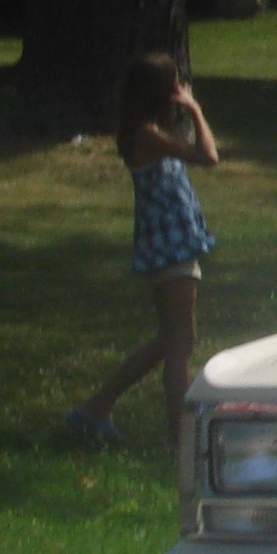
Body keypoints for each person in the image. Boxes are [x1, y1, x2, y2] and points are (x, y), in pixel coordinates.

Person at [68, 53, 216, 448]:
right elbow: (208, 156)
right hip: (170, 247)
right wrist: (196, 109)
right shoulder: (146, 133)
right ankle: (179, 438)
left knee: (170, 341)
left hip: (169, 242)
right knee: (180, 345)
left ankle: (94, 409)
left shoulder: (149, 130)